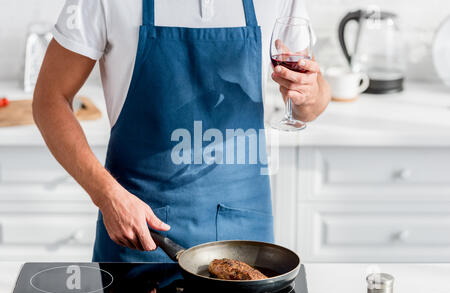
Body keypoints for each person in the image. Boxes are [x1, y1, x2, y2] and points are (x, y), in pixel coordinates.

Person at [33, 0, 330, 262]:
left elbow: (310, 103)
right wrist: (106, 195)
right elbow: (50, 99)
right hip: (141, 233)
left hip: (244, 233)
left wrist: (309, 94)